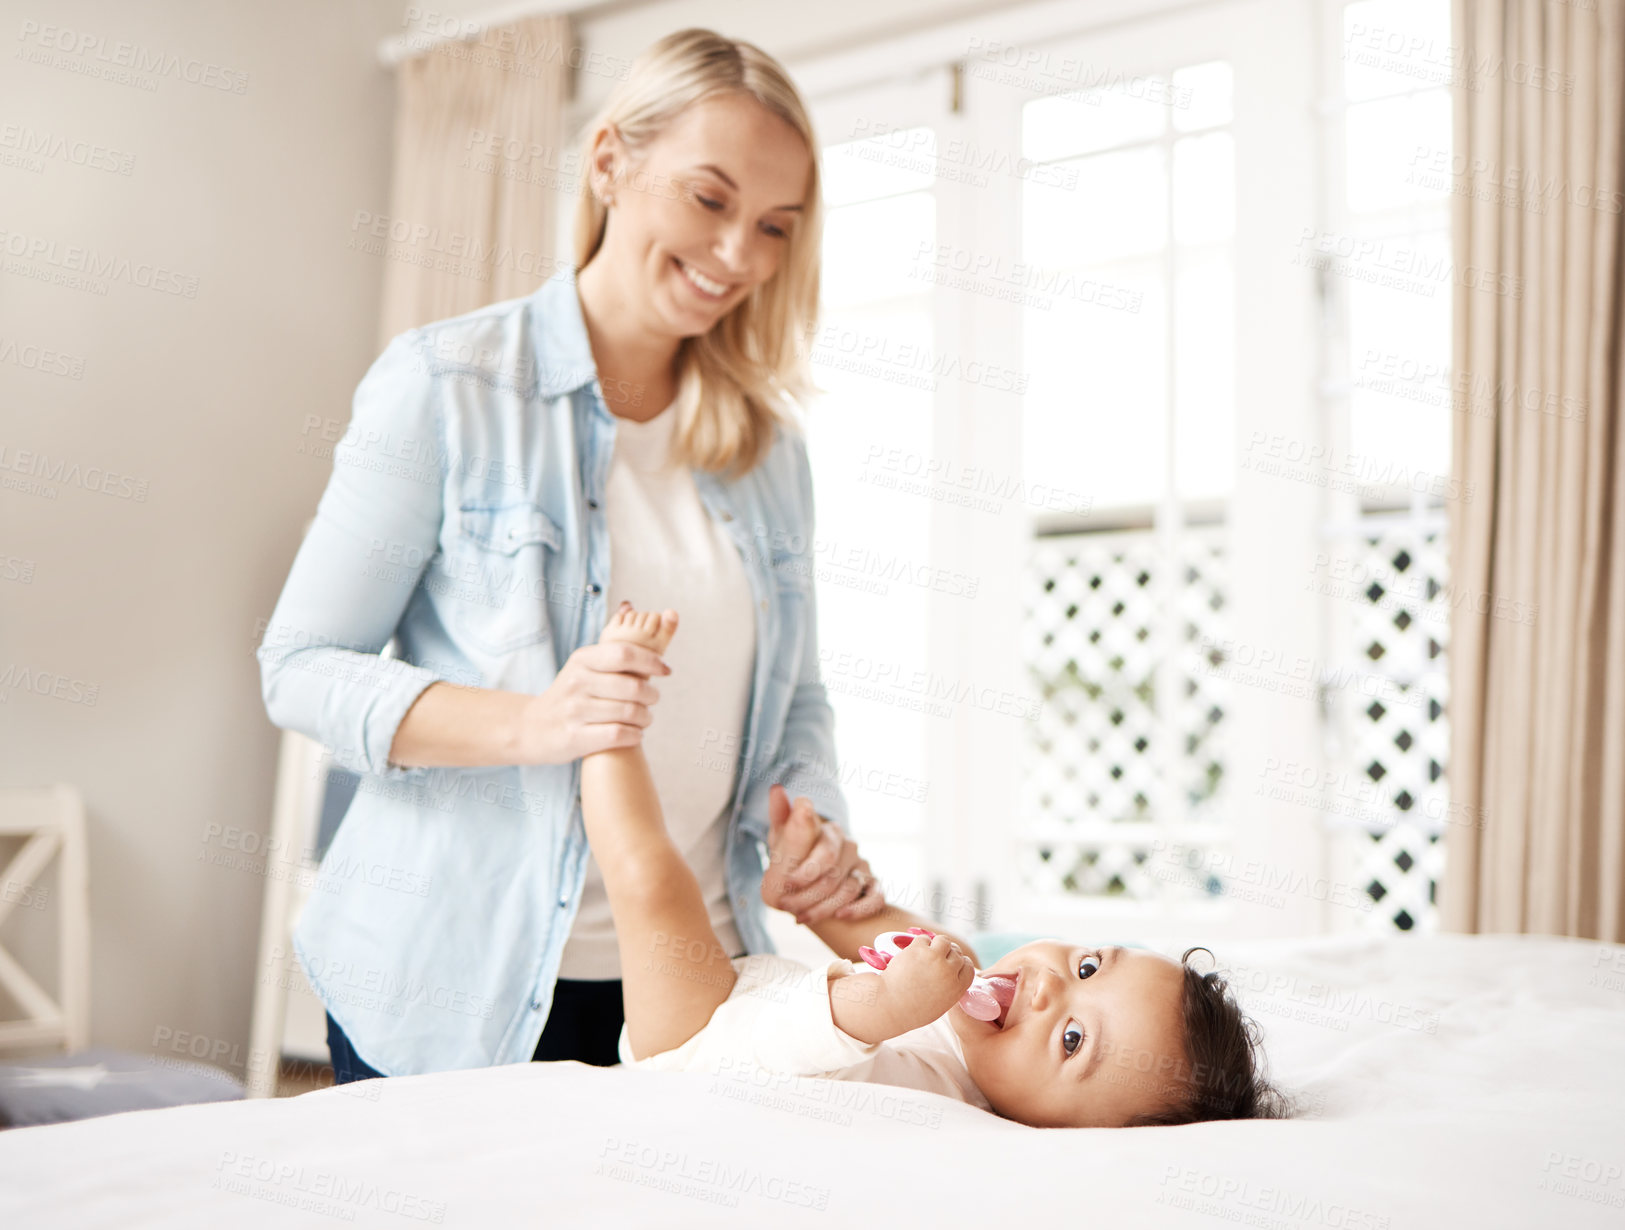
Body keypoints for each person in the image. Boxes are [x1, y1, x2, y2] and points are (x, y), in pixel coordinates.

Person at [257, 27, 976, 1082]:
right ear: (609, 165)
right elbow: (300, 668)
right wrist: (536, 721)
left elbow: (799, 699)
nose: (738, 254)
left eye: (775, 226)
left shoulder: (767, 451)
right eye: (708, 199)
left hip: (690, 991)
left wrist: (809, 820)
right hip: (451, 986)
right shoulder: (445, 386)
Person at [584, 603, 1290, 1128]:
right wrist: (824, 886)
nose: (1047, 991)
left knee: (649, 875)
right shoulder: (973, 1003)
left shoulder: (948, 1110)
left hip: (697, 1047)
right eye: (1086, 967)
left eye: (1073, 1040)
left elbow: (817, 1044)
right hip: (742, 993)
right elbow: (887, 934)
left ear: (1063, 1131)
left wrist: (883, 1004)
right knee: (937, 948)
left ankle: (607, 715)